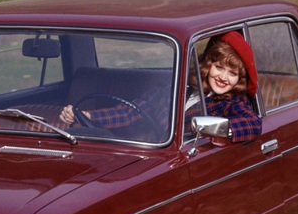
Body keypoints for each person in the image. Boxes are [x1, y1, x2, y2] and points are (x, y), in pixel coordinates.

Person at [59, 31, 261, 143]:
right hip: (155, 151)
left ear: (239, 79)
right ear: (208, 66)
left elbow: (253, 123)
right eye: (219, 68)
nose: (223, 77)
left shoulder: (231, 102)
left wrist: (216, 127)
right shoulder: (174, 90)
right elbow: (131, 112)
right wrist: (88, 115)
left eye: (232, 73)